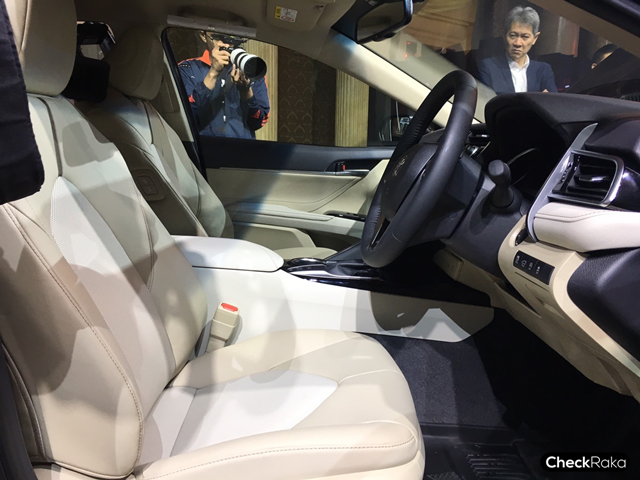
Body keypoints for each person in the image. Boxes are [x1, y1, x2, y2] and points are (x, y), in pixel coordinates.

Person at [179, 32, 270, 139]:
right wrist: (213, 73)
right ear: (203, 36)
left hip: (242, 148)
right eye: (218, 37)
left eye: (231, 39)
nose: (226, 45)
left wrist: (245, 90)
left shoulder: (250, 70)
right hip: (203, 147)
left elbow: (258, 122)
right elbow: (185, 118)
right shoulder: (187, 69)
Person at [478, 6, 557, 94]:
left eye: (525, 37)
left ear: (535, 38)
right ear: (504, 35)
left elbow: (553, 101)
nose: (518, 43)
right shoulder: (489, 67)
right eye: (513, 35)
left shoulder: (543, 70)